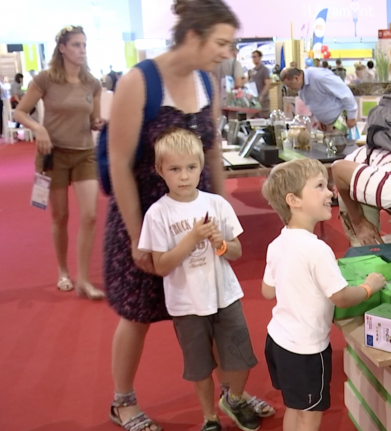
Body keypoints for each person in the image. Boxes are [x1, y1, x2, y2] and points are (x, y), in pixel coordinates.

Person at [104, 1, 273, 430]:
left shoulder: (205, 80)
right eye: (221, 42)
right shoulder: (139, 82)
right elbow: (120, 163)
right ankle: (122, 400)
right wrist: (136, 232)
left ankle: (230, 392)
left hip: (199, 216)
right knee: (138, 313)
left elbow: (212, 149)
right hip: (145, 217)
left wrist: (225, 206)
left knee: (211, 305)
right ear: (193, 37)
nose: (227, 52)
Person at [138, 129, 260, 431]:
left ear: (201, 165)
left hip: (225, 295)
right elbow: (161, 265)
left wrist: (220, 243)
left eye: (191, 167)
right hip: (186, 303)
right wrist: (191, 238)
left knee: (241, 356)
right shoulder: (157, 214)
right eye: (174, 169)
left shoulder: (216, 204)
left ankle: (233, 398)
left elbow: (236, 251)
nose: (183, 176)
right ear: (160, 170)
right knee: (200, 367)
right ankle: (209, 417)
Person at [261, 158, 387, 431]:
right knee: (311, 414)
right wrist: (369, 287)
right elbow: (341, 297)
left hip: (278, 340)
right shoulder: (317, 249)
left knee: (295, 406)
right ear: (293, 200)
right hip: (305, 349)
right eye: (319, 186)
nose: (330, 192)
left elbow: (267, 291)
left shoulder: (277, 243)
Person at [14, 26, 105, 299]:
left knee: (89, 215)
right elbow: (19, 112)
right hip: (53, 154)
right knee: (60, 216)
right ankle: (63, 271)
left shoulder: (93, 83)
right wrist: (38, 129)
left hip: (84, 154)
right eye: (76, 45)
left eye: (84, 45)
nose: (82, 50)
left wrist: (100, 124)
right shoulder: (45, 79)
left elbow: (93, 121)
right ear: (62, 48)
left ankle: (84, 280)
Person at [280, 67, 357, 130]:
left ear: (296, 78)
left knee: (344, 146)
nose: (290, 88)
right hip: (325, 125)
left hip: (341, 121)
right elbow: (313, 104)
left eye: (290, 85)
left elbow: (345, 93)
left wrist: (351, 117)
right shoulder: (301, 89)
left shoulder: (320, 77)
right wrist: (318, 119)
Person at [249, 50, 271, 118]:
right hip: (253, 100)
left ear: (260, 57)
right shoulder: (251, 71)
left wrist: (261, 95)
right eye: (252, 57)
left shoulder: (264, 70)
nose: (253, 59)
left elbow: (267, 84)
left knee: (264, 118)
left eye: (255, 57)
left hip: (263, 100)